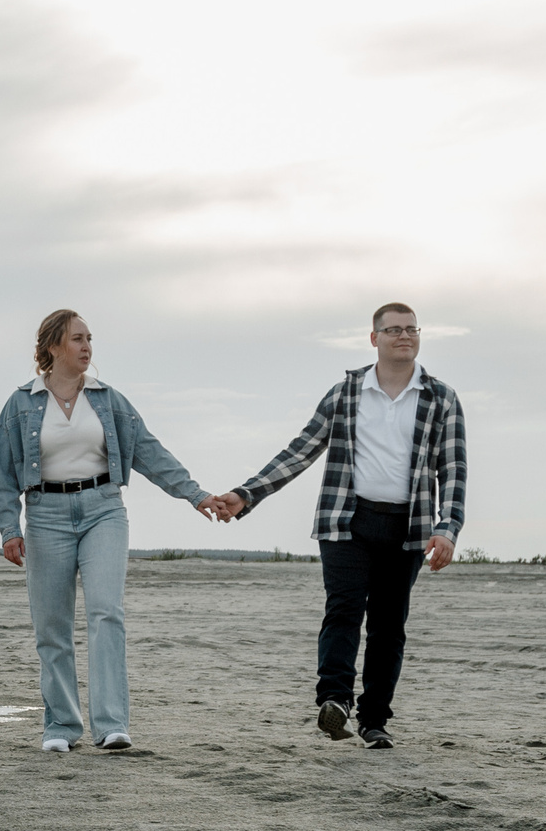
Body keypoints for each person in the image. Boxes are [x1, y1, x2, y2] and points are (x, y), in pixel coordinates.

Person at [197, 303, 467, 750]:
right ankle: (335, 700)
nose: (404, 336)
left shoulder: (441, 398)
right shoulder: (347, 392)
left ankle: (374, 720)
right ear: (374, 338)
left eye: (411, 329)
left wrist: (448, 527)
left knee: (388, 625)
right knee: (343, 609)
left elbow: (453, 469)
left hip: (409, 526)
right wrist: (246, 494)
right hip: (347, 519)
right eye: (394, 329)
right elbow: (301, 450)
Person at [0, 309, 220, 753]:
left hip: (103, 510)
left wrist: (195, 494)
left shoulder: (108, 399)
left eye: (90, 339)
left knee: (106, 614)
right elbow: (4, 473)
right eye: (77, 339)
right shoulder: (20, 403)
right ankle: (60, 726)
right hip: (44, 516)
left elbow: (149, 452)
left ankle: (112, 725)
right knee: (52, 626)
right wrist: (9, 528)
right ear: (53, 346)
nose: (87, 347)